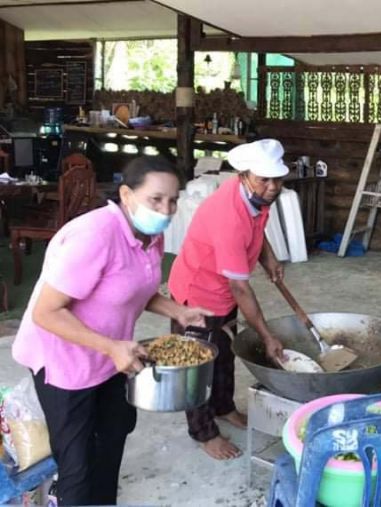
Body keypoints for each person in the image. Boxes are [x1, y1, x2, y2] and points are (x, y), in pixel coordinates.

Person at [11, 156, 211, 506]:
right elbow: (46, 312)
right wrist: (111, 347)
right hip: (65, 363)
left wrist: (177, 310)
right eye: (156, 199)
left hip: (111, 356)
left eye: (173, 200)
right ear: (126, 195)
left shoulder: (151, 235)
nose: (166, 209)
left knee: (114, 433)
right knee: (77, 463)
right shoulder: (94, 235)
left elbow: (134, 288)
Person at [168, 139, 288, 460]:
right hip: (197, 292)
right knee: (195, 365)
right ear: (244, 175)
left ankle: (223, 407)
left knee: (224, 352)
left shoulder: (255, 197)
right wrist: (267, 336)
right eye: (264, 179)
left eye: (277, 179)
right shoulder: (229, 216)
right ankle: (203, 432)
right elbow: (241, 288)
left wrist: (268, 257)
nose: (273, 187)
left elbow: (257, 229)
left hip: (221, 289)